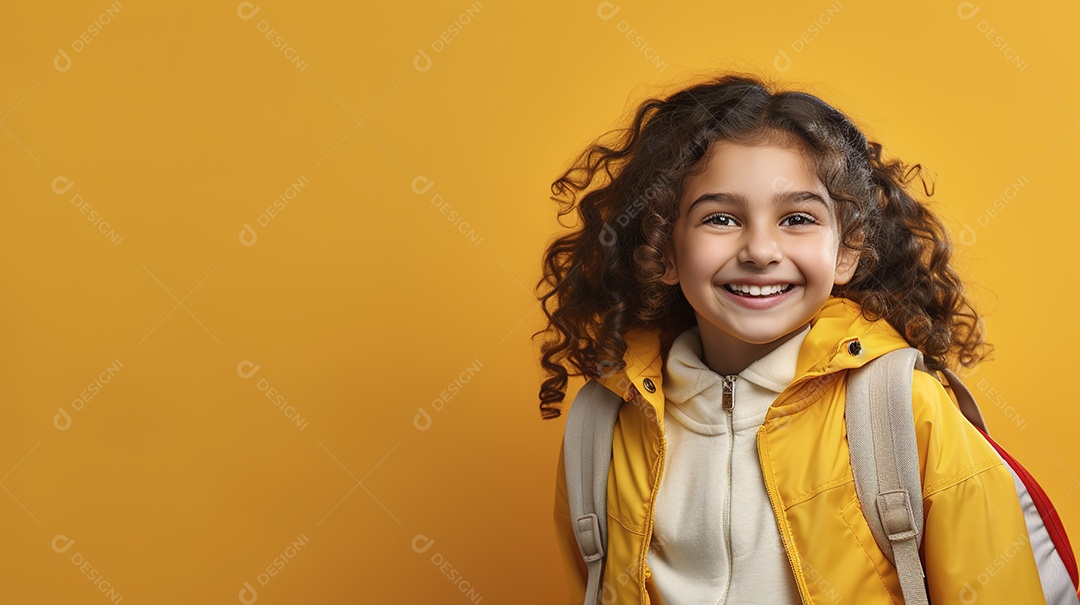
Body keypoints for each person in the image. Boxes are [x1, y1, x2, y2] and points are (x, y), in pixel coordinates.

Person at [533, 72, 1052, 604]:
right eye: (721, 218)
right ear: (662, 250)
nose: (760, 249)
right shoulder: (603, 425)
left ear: (846, 250)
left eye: (797, 218)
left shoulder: (902, 413)